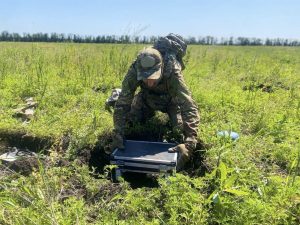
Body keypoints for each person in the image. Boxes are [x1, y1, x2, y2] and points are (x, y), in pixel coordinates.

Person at [112, 34, 200, 170]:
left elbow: (188, 105)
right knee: (131, 123)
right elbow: (124, 101)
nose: (149, 82)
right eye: (145, 78)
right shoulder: (134, 69)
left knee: (179, 130)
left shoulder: (173, 71)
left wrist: (189, 144)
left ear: (161, 68)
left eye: (153, 77)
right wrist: (118, 132)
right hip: (147, 99)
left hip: (171, 102)